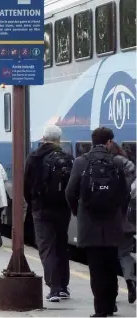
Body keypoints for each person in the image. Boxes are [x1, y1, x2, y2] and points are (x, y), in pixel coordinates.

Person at [65, 127, 129, 317]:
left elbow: (70, 191)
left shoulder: (80, 162)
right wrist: (119, 213)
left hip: (89, 222)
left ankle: (100, 310)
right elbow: (125, 194)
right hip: (112, 222)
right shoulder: (117, 163)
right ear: (109, 142)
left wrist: (78, 211)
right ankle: (110, 305)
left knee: (96, 267)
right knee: (111, 264)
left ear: (92, 142)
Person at [23, 125, 73, 302]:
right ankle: (64, 287)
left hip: (41, 209)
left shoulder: (34, 157)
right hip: (62, 209)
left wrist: (32, 204)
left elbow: (26, 185)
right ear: (59, 139)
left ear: (43, 137)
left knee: (47, 247)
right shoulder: (67, 157)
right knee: (61, 245)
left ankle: (54, 288)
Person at [109, 141, 136, 304]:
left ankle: (112, 292)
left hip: (109, 220)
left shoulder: (105, 166)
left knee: (109, 256)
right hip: (128, 220)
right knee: (125, 254)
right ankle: (130, 281)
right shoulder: (130, 167)